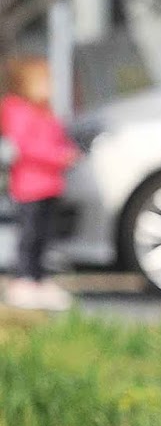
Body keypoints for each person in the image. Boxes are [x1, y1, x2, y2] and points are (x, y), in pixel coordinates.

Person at [2, 55, 79, 312]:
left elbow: (57, 139)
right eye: (45, 81)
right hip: (29, 188)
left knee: (44, 237)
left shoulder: (46, 112)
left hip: (50, 186)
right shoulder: (18, 110)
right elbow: (26, 147)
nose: (51, 86)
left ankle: (38, 279)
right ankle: (23, 280)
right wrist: (57, 157)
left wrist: (68, 152)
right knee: (30, 236)